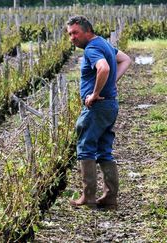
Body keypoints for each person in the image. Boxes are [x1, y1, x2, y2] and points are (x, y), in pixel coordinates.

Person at [66, 16, 131, 208]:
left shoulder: (92, 48)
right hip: (110, 105)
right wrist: (111, 83)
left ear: (87, 31)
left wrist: (94, 93)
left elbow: (103, 68)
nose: (72, 38)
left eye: (75, 33)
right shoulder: (104, 43)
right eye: (69, 34)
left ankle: (88, 197)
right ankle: (110, 198)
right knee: (104, 150)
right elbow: (126, 59)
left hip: (97, 107)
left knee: (85, 147)